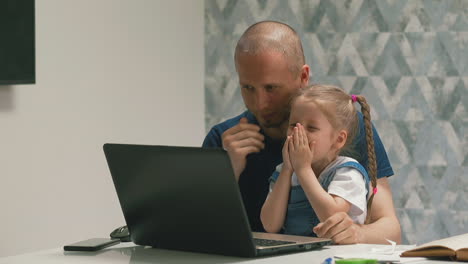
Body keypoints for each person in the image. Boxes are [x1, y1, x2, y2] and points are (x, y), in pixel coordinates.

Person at [202, 21, 401, 244]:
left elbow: (390, 228)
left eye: (271, 88)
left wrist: (357, 233)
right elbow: (198, 232)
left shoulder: (349, 128)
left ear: (303, 77)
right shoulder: (222, 139)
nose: (260, 104)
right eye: (248, 88)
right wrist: (227, 173)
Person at [261, 84, 377, 236]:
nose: (299, 132)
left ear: (338, 139)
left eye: (311, 128)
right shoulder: (284, 172)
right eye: (294, 125)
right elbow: (270, 225)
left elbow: (332, 219)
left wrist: (303, 169)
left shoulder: (348, 172)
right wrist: (287, 170)